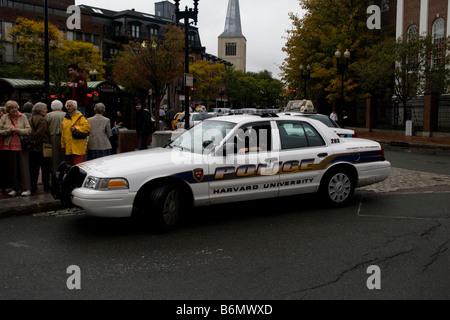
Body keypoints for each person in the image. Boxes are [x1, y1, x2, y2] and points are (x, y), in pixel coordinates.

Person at [0, 100, 32, 196]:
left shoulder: (23, 117)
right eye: (11, 108)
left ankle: (26, 188)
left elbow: (28, 130)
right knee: (12, 169)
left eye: (15, 107)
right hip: (9, 146)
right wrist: (9, 131)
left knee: (23, 168)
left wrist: (18, 130)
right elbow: (0, 130)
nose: (14, 110)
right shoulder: (4, 118)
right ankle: (15, 188)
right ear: (8, 110)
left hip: (21, 146)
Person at [29, 102, 51, 191]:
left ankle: (33, 186)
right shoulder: (42, 120)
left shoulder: (30, 119)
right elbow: (40, 134)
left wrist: (33, 141)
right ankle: (46, 186)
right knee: (45, 167)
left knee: (34, 168)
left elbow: (30, 132)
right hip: (43, 147)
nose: (46, 110)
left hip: (33, 147)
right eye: (45, 109)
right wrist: (36, 141)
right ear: (40, 110)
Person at [61, 100, 90, 166]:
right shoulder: (66, 118)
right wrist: (62, 144)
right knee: (70, 166)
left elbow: (87, 128)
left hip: (77, 147)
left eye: (70, 106)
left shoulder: (80, 117)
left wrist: (76, 128)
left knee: (77, 166)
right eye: (67, 106)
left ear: (74, 107)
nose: (68, 107)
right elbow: (63, 132)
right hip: (68, 146)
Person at [46, 100, 67, 174]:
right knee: (63, 156)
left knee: (54, 157)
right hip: (65, 138)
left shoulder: (48, 115)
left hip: (52, 138)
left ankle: (55, 173)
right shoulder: (66, 115)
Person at [0, 106, 12, 193]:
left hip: (5, 145)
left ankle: (5, 185)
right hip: (3, 146)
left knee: (6, 166)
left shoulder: (5, 121)